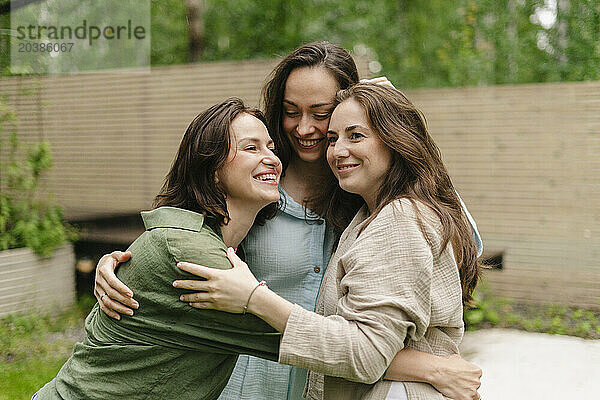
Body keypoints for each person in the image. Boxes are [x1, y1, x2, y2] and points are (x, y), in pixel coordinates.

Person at [94, 42, 482, 400]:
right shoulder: (254, 184)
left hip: (329, 384)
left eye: (322, 114)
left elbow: (454, 238)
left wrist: (389, 108)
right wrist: (116, 264)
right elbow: (181, 233)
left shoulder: (365, 197)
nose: (304, 128)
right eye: (291, 111)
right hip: (245, 384)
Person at [35, 98, 284, 399]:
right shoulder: (191, 252)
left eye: (271, 147)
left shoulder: (192, 238)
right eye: (251, 147)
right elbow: (307, 343)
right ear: (212, 169)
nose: (272, 158)